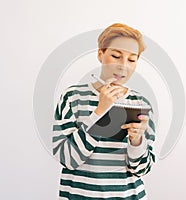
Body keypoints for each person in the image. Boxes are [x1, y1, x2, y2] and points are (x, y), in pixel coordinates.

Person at [52, 23, 156, 200]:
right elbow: (67, 159)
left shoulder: (140, 103)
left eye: (132, 60)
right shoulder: (72, 97)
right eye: (116, 56)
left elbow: (141, 169)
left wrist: (137, 140)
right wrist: (99, 113)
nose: (124, 66)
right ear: (100, 54)